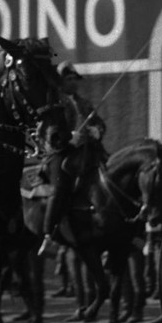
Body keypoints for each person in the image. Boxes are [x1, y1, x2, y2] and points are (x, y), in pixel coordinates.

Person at [39, 62, 107, 257]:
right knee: (60, 187)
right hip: (61, 154)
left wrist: (97, 131)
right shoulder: (54, 104)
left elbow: (100, 124)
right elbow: (50, 133)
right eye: (69, 79)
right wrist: (70, 136)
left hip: (87, 153)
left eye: (75, 79)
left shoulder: (84, 103)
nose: (74, 83)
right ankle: (48, 235)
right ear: (60, 81)